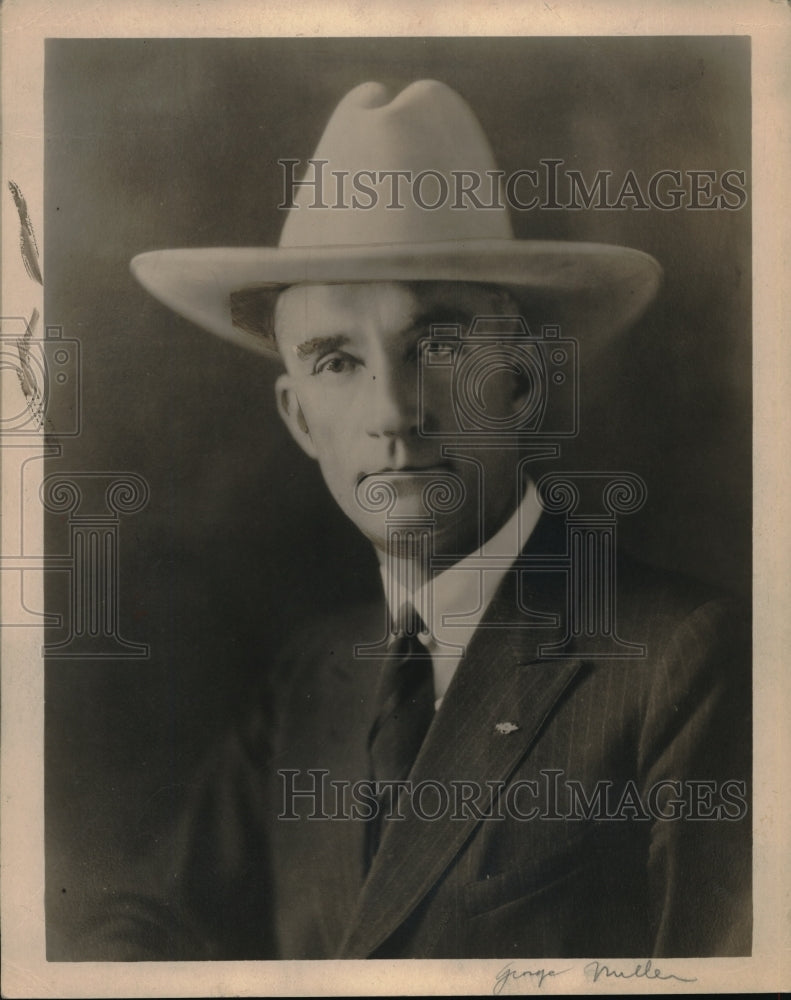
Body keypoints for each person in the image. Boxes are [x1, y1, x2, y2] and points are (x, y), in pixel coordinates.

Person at [89, 79, 750, 960]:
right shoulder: (314, 676)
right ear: (297, 419)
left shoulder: (677, 660)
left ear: (524, 384)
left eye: (436, 347)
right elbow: (136, 925)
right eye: (336, 362)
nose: (394, 412)